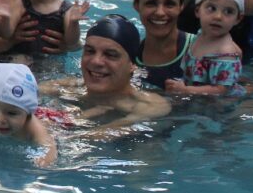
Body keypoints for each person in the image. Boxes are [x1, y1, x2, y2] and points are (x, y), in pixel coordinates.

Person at [43, 15, 171, 132]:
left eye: (110, 55)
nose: (96, 61)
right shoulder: (68, 87)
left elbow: (97, 136)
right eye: (90, 51)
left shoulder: (149, 105)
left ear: (132, 65)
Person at [165, 0, 245, 97]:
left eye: (228, 11)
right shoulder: (200, 35)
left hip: (221, 107)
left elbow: (222, 91)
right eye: (211, 8)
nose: (218, 16)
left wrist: (186, 90)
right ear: (197, 11)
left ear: (238, 19)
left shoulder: (226, 53)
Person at [132, 0, 195, 89]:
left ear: (181, 6)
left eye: (169, 4)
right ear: (136, 5)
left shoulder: (201, 49)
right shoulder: (129, 57)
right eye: (150, 3)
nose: (160, 12)